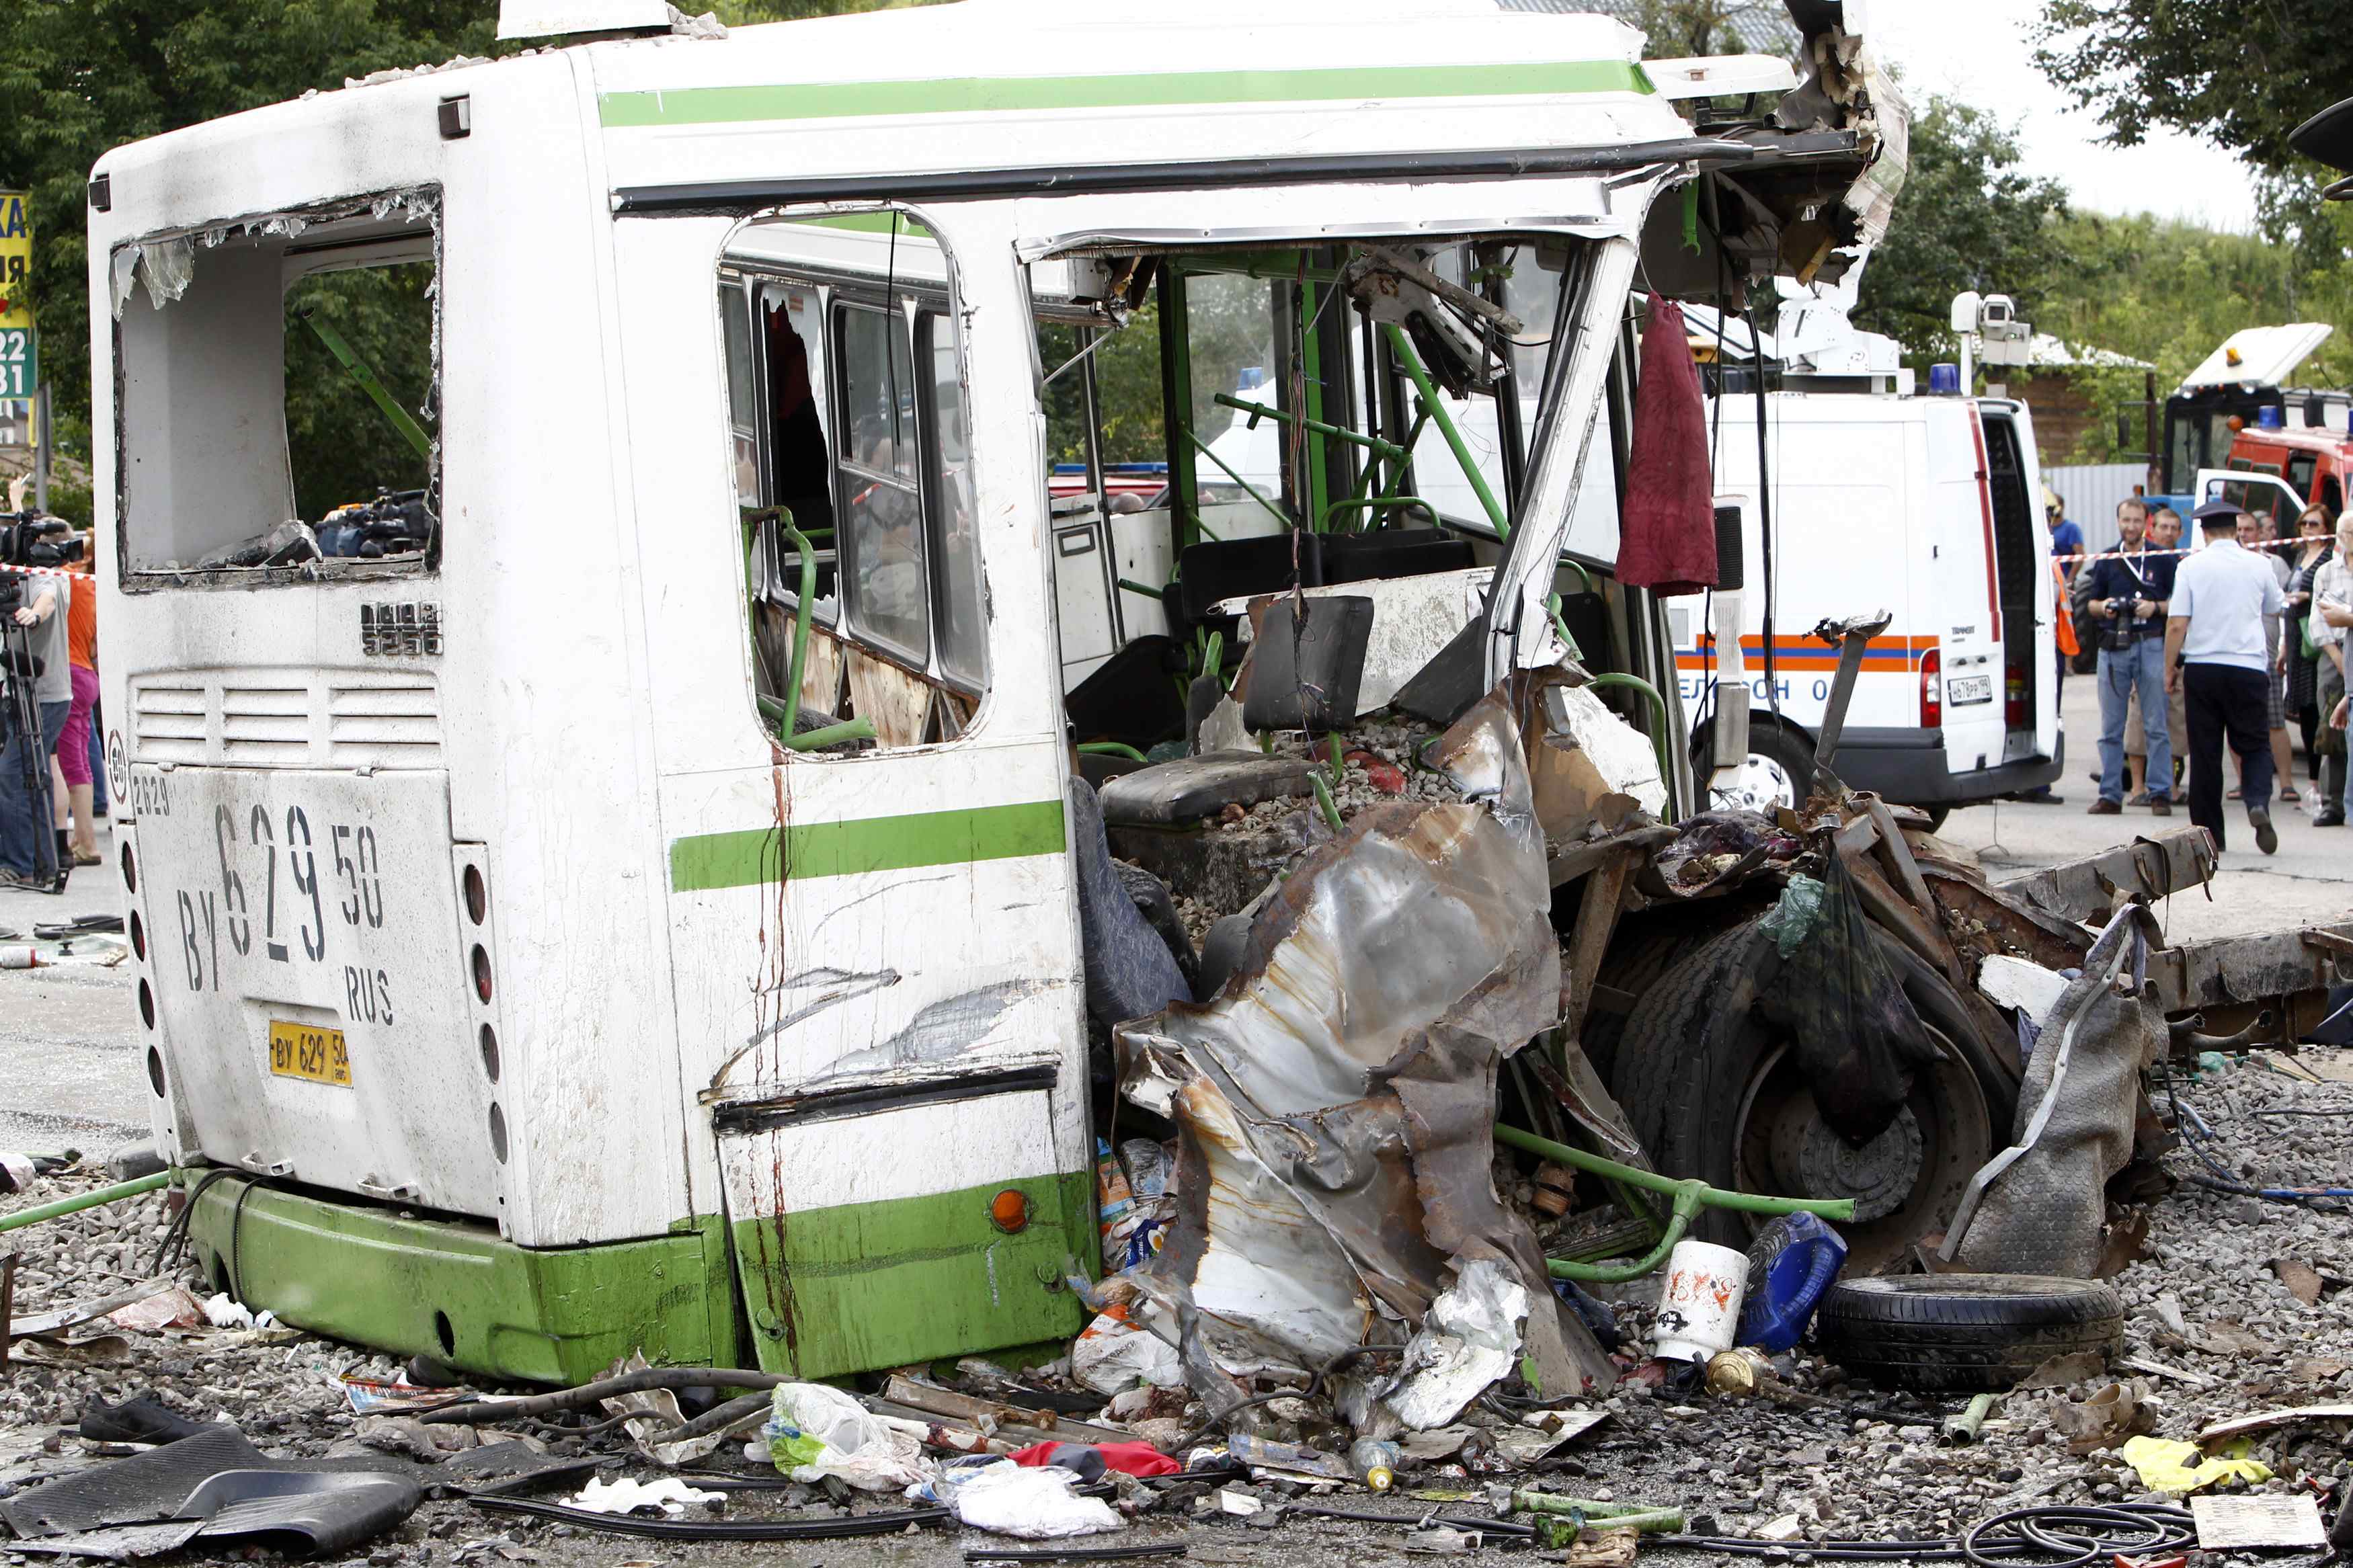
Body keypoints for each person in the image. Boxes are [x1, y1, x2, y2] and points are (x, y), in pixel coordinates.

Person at [2167, 498, 2286, 854]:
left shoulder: (2190, 566)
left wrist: (2169, 668)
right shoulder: (2259, 564)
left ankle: (2209, 835)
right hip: (2248, 667)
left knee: (2205, 752)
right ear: (2237, 531)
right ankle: (2257, 802)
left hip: (2203, 667)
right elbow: (2274, 607)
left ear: (2203, 533)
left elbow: (2177, 624)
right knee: (2254, 743)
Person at [2083, 497, 2176, 816]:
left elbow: (2178, 604)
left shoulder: (2163, 558)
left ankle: (2160, 792)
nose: (2131, 526)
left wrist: (2156, 608)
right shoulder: (2108, 558)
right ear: (2118, 522)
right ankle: (2110, 793)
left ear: (2146, 523)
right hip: (2114, 646)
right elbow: (2091, 604)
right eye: (2126, 520)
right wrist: (2106, 606)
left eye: (2137, 521)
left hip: (2150, 642)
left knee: (2156, 723)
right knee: (2111, 725)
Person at [0, 567, 71, 889]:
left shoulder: (40, 574)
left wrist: (34, 615)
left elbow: (48, 600)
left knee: (14, 773)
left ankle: (19, 863)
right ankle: (45, 861)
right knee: (36, 774)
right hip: (22, 691)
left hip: (44, 693)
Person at [2120, 506, 2188, 802]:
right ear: (2153, 528)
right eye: (2163, 527)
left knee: (2173, 723)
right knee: (2137, 720)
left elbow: (2181, 609)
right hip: (2139, 645)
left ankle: (2170, 785)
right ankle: (2137, 786)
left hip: (2172, 650)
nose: (2169, 533)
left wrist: (2159, 608)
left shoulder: (2182, 564)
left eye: (2174, 528)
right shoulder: (2133, 558)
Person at [2232, 511, 2299, 805]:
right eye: (2240, 530)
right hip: (2235, 654)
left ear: (2259, 533)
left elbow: (2288, 605)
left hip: (2268, 653)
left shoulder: (2274, 564)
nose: (2244, 534)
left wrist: (2285, 645)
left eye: (2249, 529)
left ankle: (2286, 784)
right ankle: (2243, 784)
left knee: (2274, 722)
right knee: (2235, 724)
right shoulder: (2226, 565)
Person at [2284, 504, 2335, 802]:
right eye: (2304, 524)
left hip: (2316, 640)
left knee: (2318, 707)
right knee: (2303, 709)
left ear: (2326, 528)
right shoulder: (2301, 555)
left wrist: (2308, 596)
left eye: (2314, 524)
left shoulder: (2329, 558)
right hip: (2295, 640)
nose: (2308, 529)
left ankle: (2319, 777)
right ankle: (2315, 782)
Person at [2311, 516, 2353, 827]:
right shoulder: (2326, 571)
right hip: (2333, 652)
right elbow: (2318, 618)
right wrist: (2338, 659)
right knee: (2331, 728)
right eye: (2347, 532)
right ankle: (2332, 802)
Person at [59, 551, 99, 864]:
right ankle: (82, 838)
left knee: (70, 765)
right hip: (87, 673)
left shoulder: (63, 579)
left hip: (68, 675)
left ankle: (86, 843)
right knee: (83, 761)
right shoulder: (90, 587)